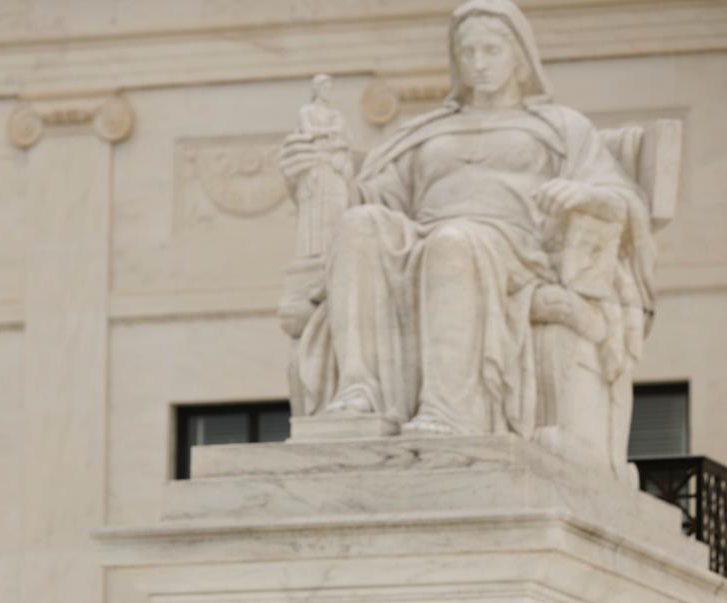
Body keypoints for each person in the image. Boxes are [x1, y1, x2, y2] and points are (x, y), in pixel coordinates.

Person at [279, 0, 653, 442]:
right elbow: (376, 198)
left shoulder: (560, 127)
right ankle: (360, 391)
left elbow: (622, 200)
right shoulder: (427, 131)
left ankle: (451, 408)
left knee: (453, 242)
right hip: (424, 235)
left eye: (491, 51)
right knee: (360, 225)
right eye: (468, 52)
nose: (478, 64)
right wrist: (324, 174)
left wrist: (584, 193)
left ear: (519, 57)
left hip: (516, 250)